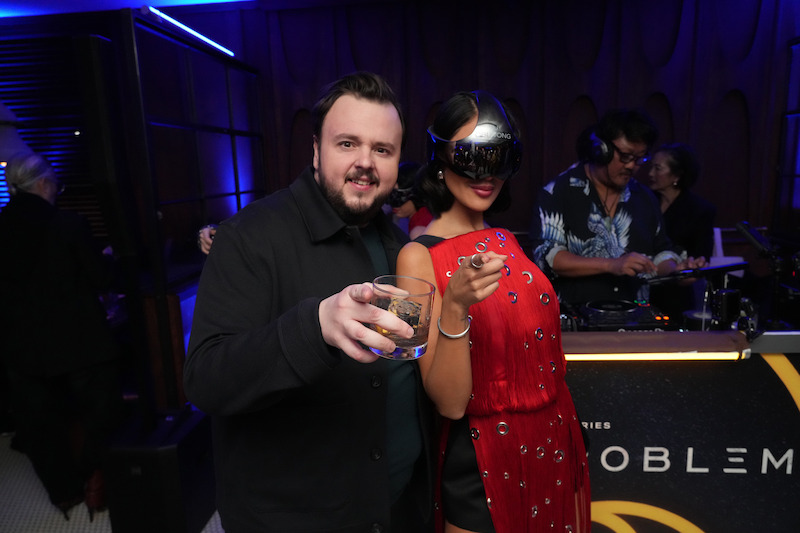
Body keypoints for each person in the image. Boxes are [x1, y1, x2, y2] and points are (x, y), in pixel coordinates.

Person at [183, 72, 434, 533]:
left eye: (383, 150)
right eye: (346, 144)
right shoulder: (250, 237)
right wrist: (315, 326)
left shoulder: (401, 248)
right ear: (316, 151)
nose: (366, 163)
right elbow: (204, 379)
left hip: (396, 507)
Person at [397, 90, 590, 533]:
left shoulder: (506, 240)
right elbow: (446, 402)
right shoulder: (415, 258)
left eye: (499, 159)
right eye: (470, 157)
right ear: (440, 158)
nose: (486, 177)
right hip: (482, 455)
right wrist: (457, 306)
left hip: (553, 436)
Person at [0, 151, 123, 520]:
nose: (57, 191)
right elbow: (102, 279)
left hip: (19, 345)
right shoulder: (69, 225)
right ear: (42, 183)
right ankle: (94, 476)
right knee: (103, 409)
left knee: (39, 423)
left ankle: (64, 493)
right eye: (55, 185)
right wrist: (107, 258)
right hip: (79, 341)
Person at [529, 109, 706, 308]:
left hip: (634, 322)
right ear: (601, 149)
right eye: (625, 156)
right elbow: (548, 257)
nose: (632, 166)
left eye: (639, 158)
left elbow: (660, 252)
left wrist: (676, 271)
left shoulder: (646, 198)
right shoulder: (557, 193)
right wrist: (612, 264)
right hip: (575, 322)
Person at [645, 142, 716, 315]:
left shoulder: (700, 210)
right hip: (641, 287)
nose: (650, 174)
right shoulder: (643, 200)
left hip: (676, 292)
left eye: (658, 168)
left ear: (676, 175)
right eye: (651, 167)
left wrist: (685, 267)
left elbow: (701, 255)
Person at [387, 161, 434, 239]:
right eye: (390, 194)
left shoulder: (418, 231)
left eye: (399, 196)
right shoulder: (428, 216)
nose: (393, 204)